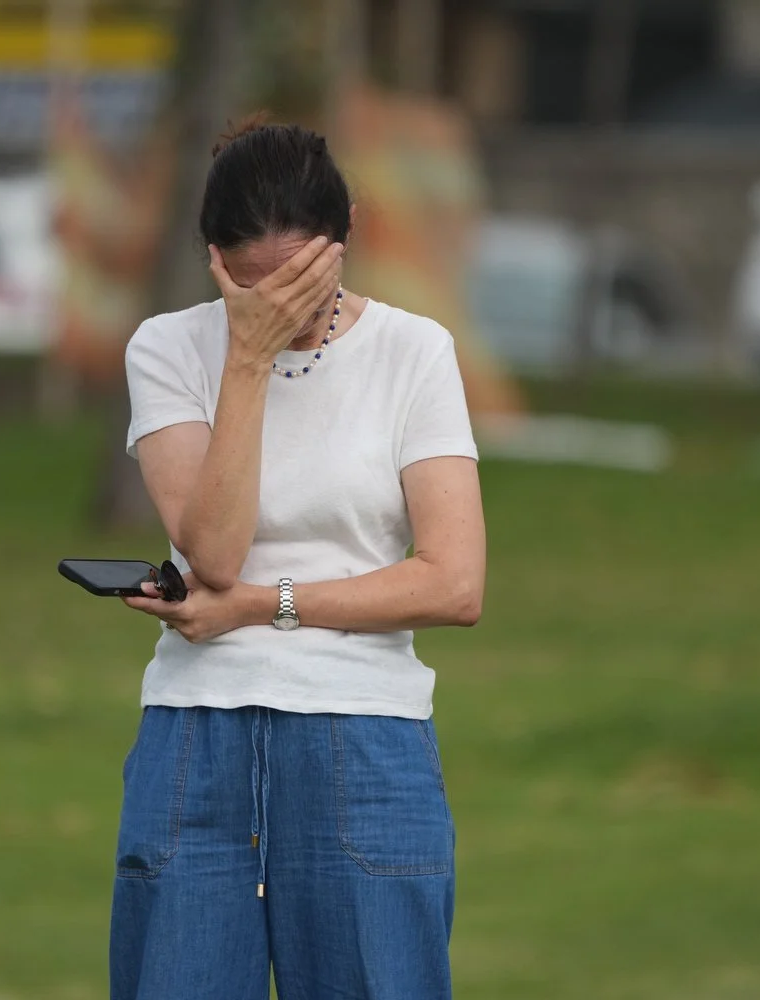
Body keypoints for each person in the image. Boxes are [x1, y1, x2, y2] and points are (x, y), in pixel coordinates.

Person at [113, 121, 486, 1000]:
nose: (277, 312)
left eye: (300, 290)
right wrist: (244, 358)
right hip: (196, 736)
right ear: (212, 259)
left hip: (364, 735)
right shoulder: (168, 349)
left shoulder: (413, 351)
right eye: (251, 291)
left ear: (346, 235)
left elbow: (453, 582)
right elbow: (213, 550)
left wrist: (255, 607)